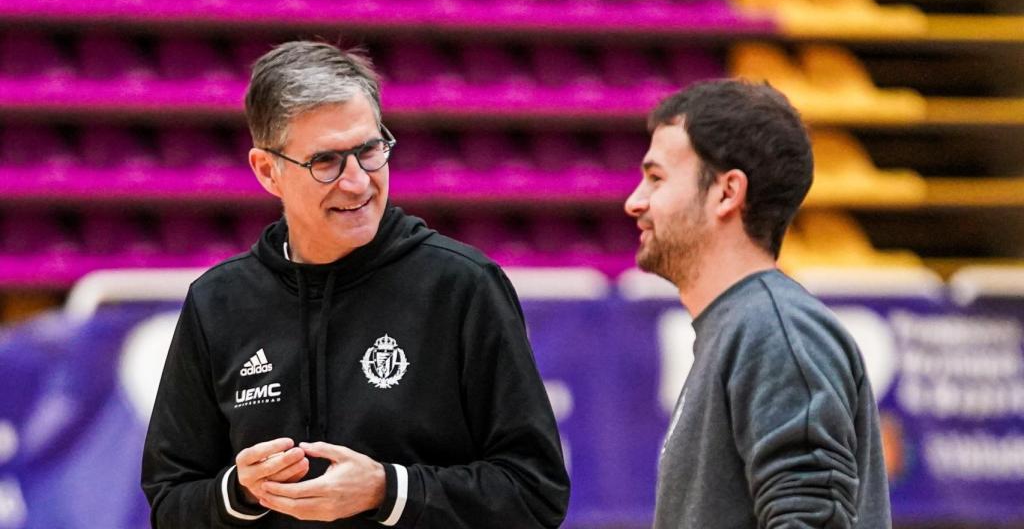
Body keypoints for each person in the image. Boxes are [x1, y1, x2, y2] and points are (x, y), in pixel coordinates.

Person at [142, 41, 570, 528]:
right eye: (326, 162)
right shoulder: (217, 303)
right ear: (268, 171)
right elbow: (170, 501)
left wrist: (388, 491)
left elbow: (537, 493)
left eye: (369, 150)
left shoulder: (462, 287)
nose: (358, 183)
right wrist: (237, 492)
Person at [624, 80, 891, 528]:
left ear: (727, 193)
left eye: (656, 178)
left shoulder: (772, 330)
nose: (635, 201)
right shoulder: (744, 327)